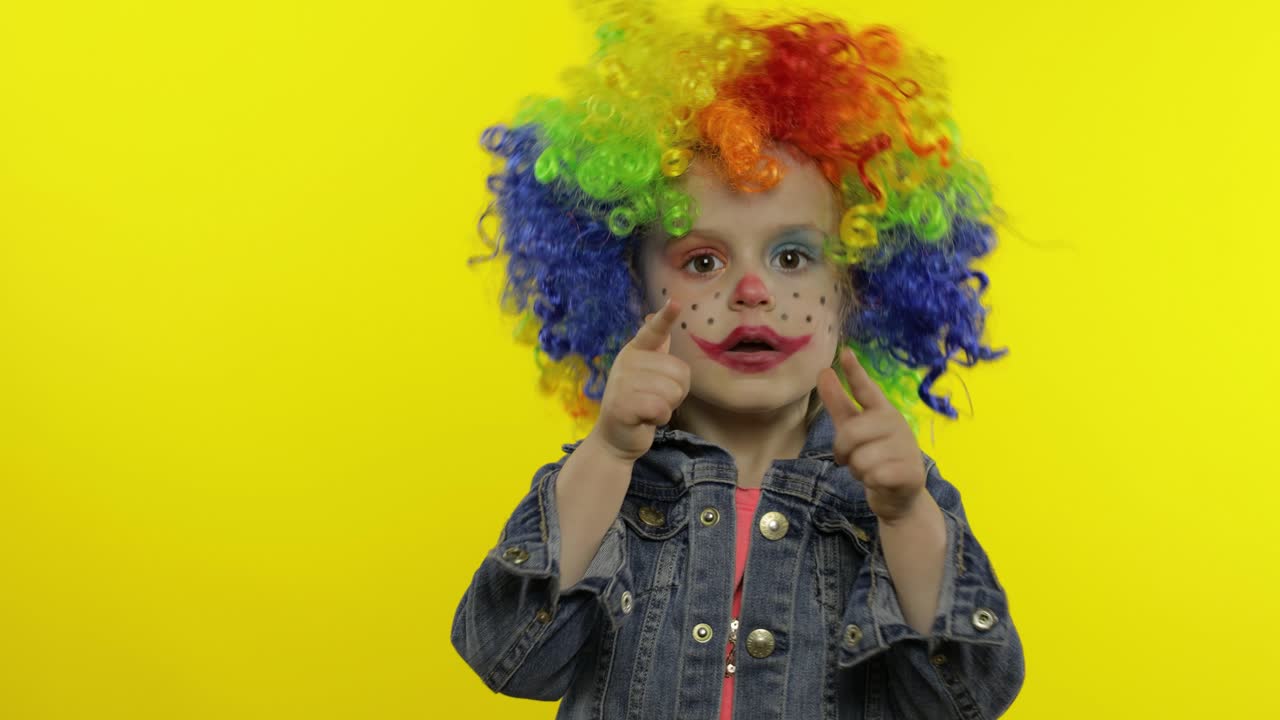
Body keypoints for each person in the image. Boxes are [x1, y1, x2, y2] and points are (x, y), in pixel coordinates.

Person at [452, 4, 1025, 718]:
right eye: (702, 259)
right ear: (626, 291)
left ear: (857, 291)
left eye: (792, 257)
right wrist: (605, 451)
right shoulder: (612, 486)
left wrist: (907, 514)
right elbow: (509, 654)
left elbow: (966, 694)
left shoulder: (890, 498)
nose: (752, 291)